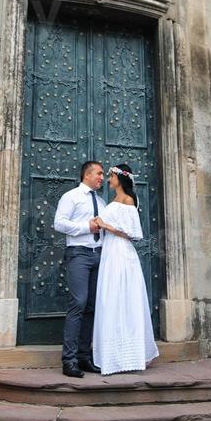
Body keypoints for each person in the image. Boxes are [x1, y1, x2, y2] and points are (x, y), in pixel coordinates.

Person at [91, 163, 158, 374]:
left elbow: (132, 232)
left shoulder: (129, 200)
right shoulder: (112, 200)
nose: (108, 179)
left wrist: (104, 225)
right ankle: (111, 354)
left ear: (119, 179)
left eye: (110, 176)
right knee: (110, 298)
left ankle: (130, 354)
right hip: (109, 252)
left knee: (124, 296)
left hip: (122, 252)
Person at [52, 160, 105, 378]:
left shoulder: (101, 201)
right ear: (87, 174)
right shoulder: (71, 196)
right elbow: (59, 223)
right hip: (79, 255)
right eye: (99, 173)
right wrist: (86, 227)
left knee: (92, 306)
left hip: (99, 255)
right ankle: (69, 360)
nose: (102, 178)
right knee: (78, 303)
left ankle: (84, 357)